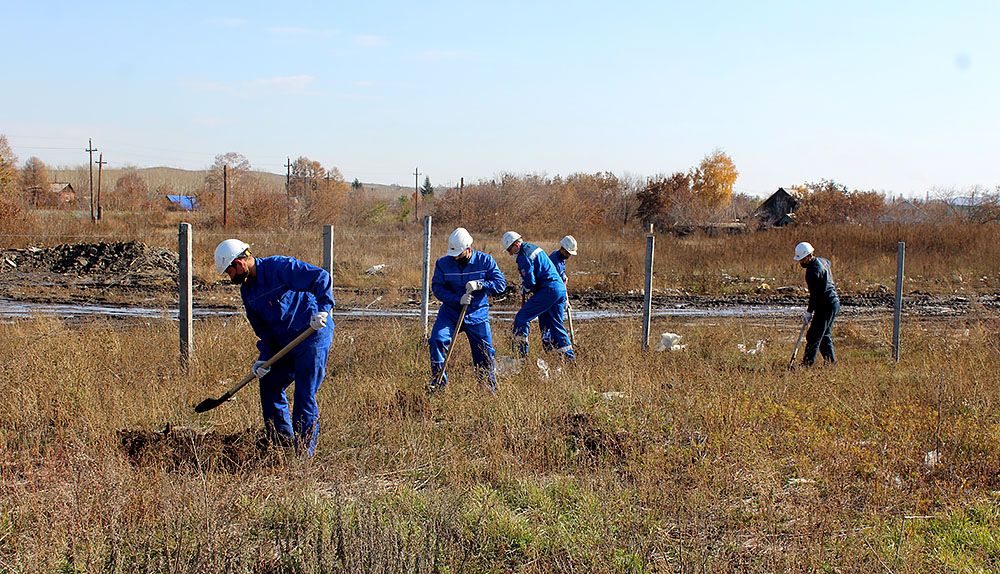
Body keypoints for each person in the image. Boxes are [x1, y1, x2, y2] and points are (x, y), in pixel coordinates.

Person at [213, 239, 334, 456]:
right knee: (269, 384)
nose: (230, 278)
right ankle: (281, 445)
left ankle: (303, 457)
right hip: (285, 343)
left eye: (229, 272)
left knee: (304, 396)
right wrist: (264, 358)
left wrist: (324, 309)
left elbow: (320, 277)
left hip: (312, 333)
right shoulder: (247, 292)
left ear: (239, 264)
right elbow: (263, 330)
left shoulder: (279, 267)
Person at [429, 228, 507, 392]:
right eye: (453, 254)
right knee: (437, 340)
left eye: (459, 254)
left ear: (469, 249)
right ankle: (438, 386)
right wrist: (457, 299)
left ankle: (487, 390)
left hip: (477, 313)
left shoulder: (485, 261)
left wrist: (480, 285)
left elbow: (500, 284)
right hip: (450, 313)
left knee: (484, 352)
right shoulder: (443, 263)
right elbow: (437, 288)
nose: (455, 257)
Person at [502, 231, 575, 361]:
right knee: (556, 324)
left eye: (509, 249)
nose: (509, 253)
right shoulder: (532, 247)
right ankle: (569, 359)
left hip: (548, 290)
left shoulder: (523, 255)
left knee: (522, 318)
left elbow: (531, 282)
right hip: (558, 290)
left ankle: (520, 356)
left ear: (516, 245)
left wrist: (525, 286)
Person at [793, 241, 840, 366]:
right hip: (833, 302)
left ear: (809, 256)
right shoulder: (823, 261)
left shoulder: (812, 272)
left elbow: (814, 295)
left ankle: (807, 364)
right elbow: (828, 263)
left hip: (825, 305)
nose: (801, 262)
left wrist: (809, 312)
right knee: (824, 335)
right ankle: (831, 363)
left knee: (813, 336)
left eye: (802, 259)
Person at [542, 235, 577, 351]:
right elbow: (555, 283)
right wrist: (564, 300)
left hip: (554, 295)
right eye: (568, 253)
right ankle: (565, 352)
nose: (569, 255)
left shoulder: (561, 258)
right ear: (562, 249)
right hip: (551, 296)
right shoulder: (555, 261)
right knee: (555, 324)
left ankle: (554, 349)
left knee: (553, 324)